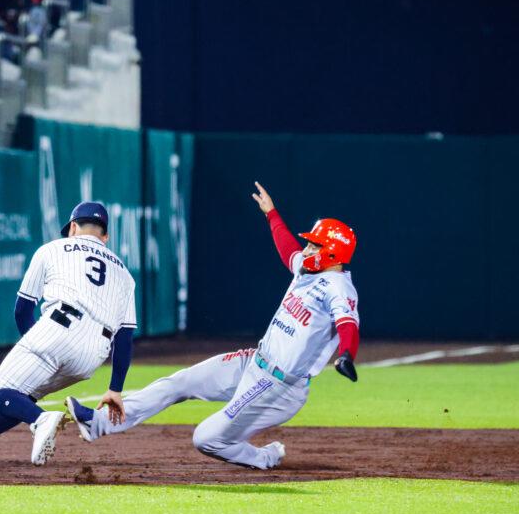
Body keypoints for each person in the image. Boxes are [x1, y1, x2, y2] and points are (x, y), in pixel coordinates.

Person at [63, 182, 361, 470]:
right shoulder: (307, 271)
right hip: (253, 362)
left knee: (205, 438)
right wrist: (272, 214)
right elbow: (288, 250)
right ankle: (98, 423)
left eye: (314, 244)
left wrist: (347, 354)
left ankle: (264, 457)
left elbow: (347, 324)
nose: (307, 248)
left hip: (279, 387)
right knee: (178, 383)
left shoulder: (339, 287)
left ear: (333, 251)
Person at [0, 201, 137, 466]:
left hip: (59, 326)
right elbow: (125, 336)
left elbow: (22, 310)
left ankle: (42, 420)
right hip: (94, 354)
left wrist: (39, 346)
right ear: (105, 236)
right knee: (23, 396)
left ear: (73, 227)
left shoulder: (52, 248)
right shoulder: (125, 274)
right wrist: (115, 388)